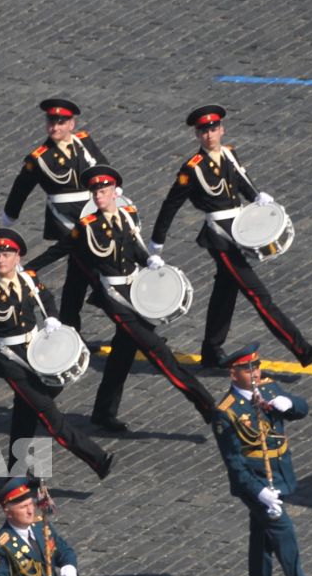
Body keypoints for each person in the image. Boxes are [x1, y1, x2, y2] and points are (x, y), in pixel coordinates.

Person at [30, 165, 216, 431]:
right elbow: (58, 250)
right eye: (95, 192)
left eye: (103, 191)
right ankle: (207, 405)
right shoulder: (87, 227)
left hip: (135, 292)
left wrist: (149, 259)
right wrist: (26, 269)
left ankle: (101, 412)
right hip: (114, 297)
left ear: (114, 192)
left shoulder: (127, 217)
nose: (98, 196)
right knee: (158, 351)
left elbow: (134, 250)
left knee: (122, 354)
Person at [149, 104, 312, 368]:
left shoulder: (230, 154)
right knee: (258, 296)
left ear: (222, 129)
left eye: (213, 128)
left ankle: (211, 349)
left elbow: (241, 181)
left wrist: (256, 197)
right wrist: (156, 244)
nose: (209, 135)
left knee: (225, 290)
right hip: (220, 238)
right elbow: (171, 205)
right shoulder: (192, 168)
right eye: (203, 131)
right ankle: (301, 348)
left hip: (239, 231)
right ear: (197, 135)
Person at [0, 228, 115, 479]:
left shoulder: (29, 279)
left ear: (17, 258)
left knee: (25, 411)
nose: (0, 259)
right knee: (49, 415)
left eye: (6, 254)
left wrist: (52, 318)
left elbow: (47, 296)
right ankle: (97, 459)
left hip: (35, 351)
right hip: (11, 359)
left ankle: (15, 471)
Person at [211, 344, 312, 576]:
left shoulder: (270, 389)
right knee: (283, 531)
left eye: (256, 366)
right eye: (247, 369)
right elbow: (235, 464)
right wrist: (259, 493)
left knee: (262, 534)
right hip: (255, 481)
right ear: (233, 374)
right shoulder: (226, 412)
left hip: (279, 472)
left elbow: (301, 409)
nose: (254, 373)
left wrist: (289, 405)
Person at [0, 97, 110, 259]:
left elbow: (102, 165)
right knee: (84, 258)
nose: (55, 128)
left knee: (89, 260)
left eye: (60, 123)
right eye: (51, 123)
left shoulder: (84, 142)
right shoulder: (39, 159)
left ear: (71, 124)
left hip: (92, 208)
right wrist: (10, 214)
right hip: (63, 216)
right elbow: (21, 187)